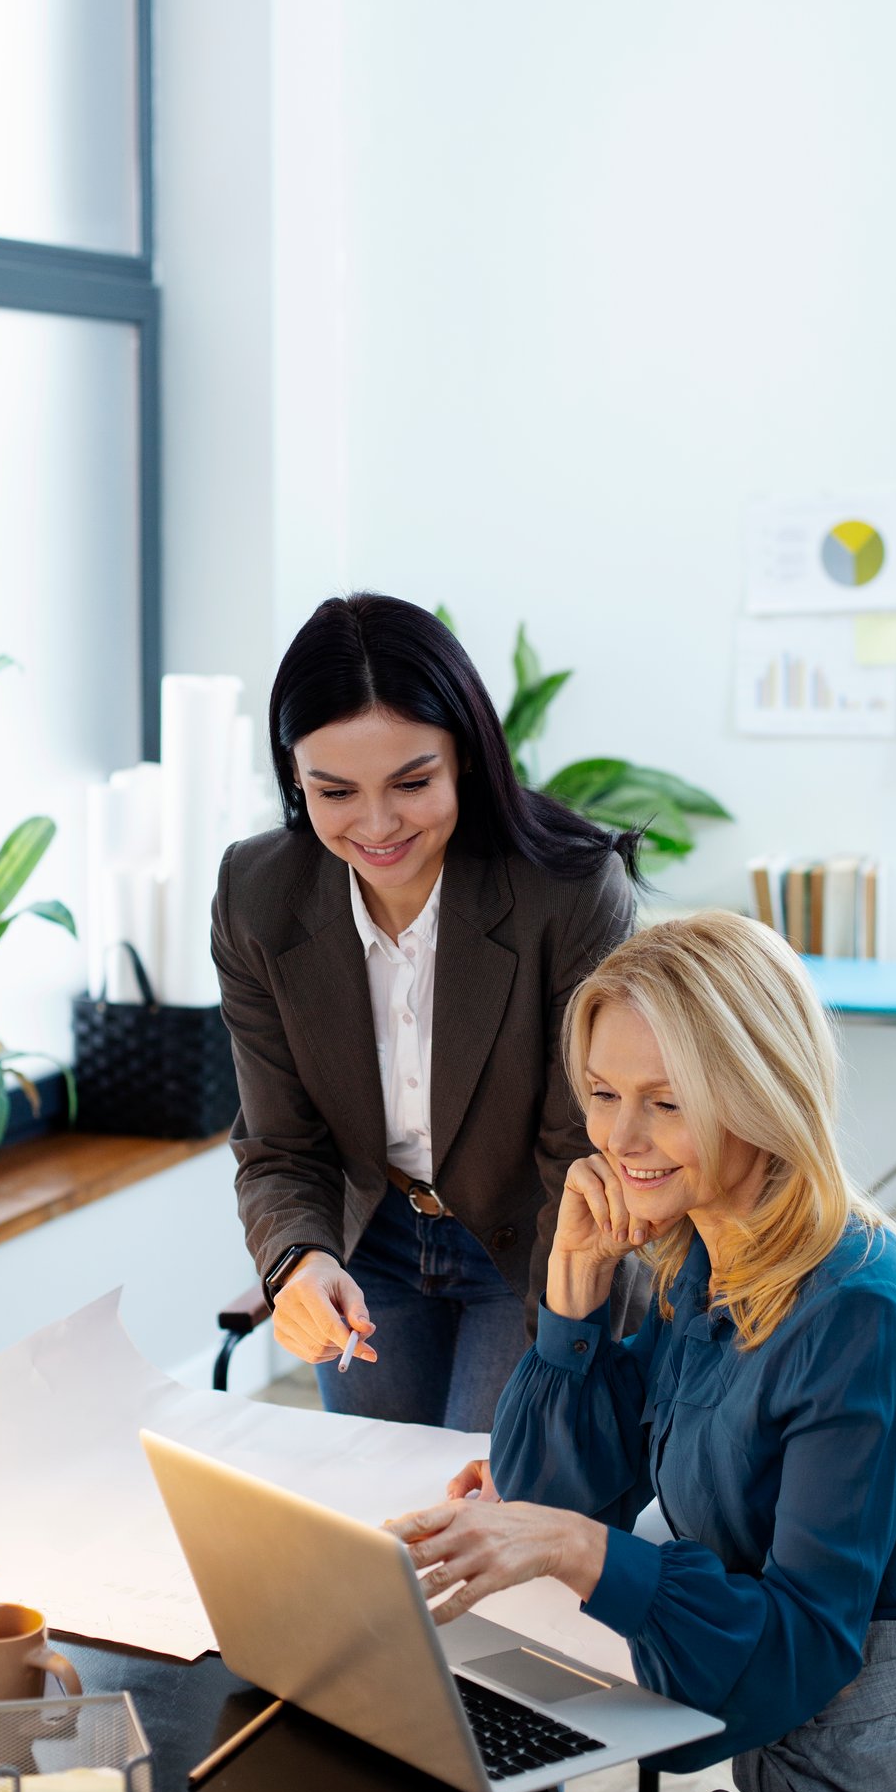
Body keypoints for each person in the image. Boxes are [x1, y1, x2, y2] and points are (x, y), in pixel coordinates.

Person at [386, 911, 896, 1792]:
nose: (619, 1137)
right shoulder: (701, 1266)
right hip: (801, 1766)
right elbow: (549, 1495)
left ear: (759, 1094)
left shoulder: (855, 1307)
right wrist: (571, 1307)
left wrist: (580, 1548)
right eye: (601, 1092)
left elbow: (800, 1643)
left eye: (665, 1103)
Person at [210, 592, 644, 1431]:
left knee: (487, 1508)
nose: (375, 825)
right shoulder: (256, 896)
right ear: (294, 775)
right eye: (334, 791)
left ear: (467, 759)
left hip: (531, 1237)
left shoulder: (568, 891)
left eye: (412, 782)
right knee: (384, 1518)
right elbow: (278, 1143)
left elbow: (579, 1152)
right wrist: (297, 1260)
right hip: (370, 1236)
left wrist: (558, 1363)